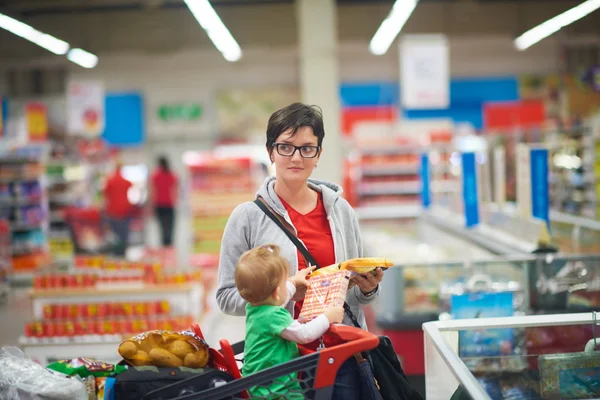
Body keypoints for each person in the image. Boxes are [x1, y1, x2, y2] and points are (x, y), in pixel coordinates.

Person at [216, 102, 384, 400]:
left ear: (318, 154)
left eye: (307, 148)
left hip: (341, 356)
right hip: (280, 365)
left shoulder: (341, 211)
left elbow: (353, 294)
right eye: (286, 147)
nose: (296, 157)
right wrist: (280, 294)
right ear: (271, 152)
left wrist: (368, 289)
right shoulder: (247, 217)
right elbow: (226, 296)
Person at [236, 244, 344, 399]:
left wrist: (293, 282)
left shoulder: (255, 309)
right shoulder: (275, 315)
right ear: (277, 291)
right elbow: (304, 334)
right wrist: (328, 317)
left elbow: (277, 299)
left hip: (258, 385)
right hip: (277, 390)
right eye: (284, 282)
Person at [103, 162, 133, 256]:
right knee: (124, 234)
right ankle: (123, 253)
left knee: (115, 235)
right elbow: (131, 185)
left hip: (113, 211)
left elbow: (105, 194)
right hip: (125, 210)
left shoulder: (110, 180)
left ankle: (116, 254)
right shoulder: (125, 181)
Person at [150, 156, 179, 247]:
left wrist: (151, 207)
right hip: (169, 205)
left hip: (159, 205)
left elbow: (153, 192)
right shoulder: (172, 175)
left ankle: (164, 248)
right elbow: (175, 190)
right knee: (170, 228)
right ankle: (169, 246)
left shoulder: (155, 176)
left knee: (162, 228)